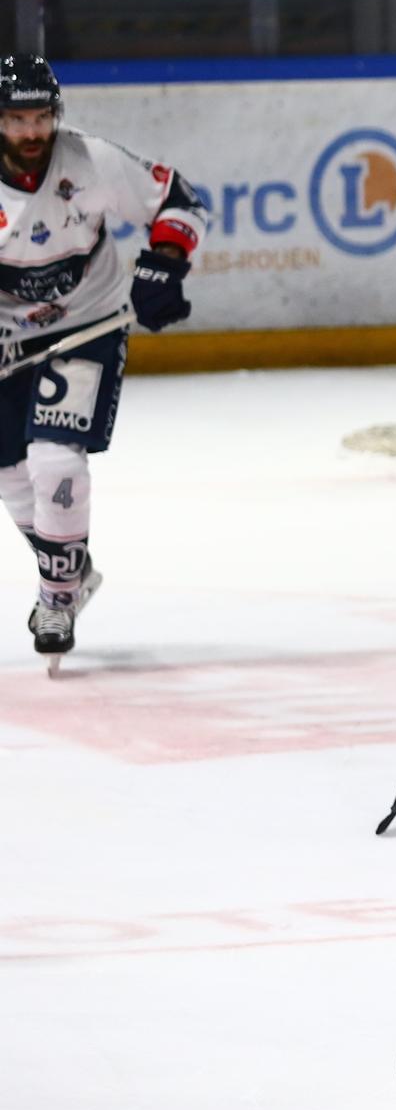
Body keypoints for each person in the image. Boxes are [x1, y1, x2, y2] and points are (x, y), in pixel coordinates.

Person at [0, 54, 206, 671]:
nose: (31, 133)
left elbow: (178, 201)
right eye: (15, 120)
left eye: (40, 118)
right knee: (10, 473)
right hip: (6, 339)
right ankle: (72, 570)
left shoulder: (90, 159)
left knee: (55, 459)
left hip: (86, 325)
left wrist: (162, 265)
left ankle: (56, 596)